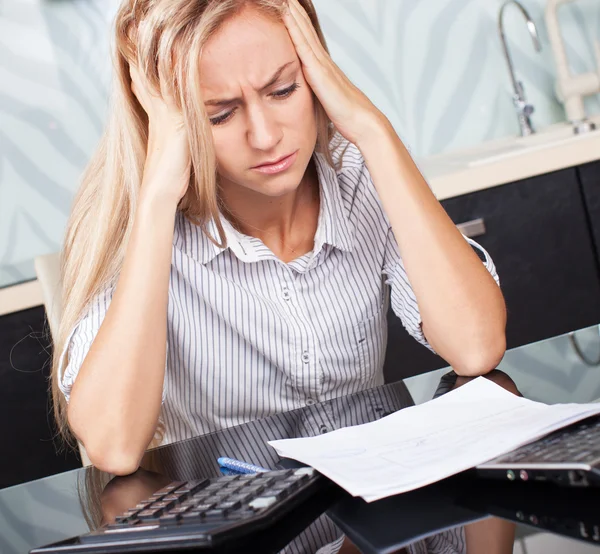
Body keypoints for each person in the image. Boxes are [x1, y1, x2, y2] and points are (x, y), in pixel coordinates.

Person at [50, 0, 507, 552]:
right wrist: (156, 200)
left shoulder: (358, 178)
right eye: (218, 113)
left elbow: (477, 348)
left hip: (369, 520)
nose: (265, 136)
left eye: (284, 90)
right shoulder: (140, 228)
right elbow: (114, 447)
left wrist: (372, 130)